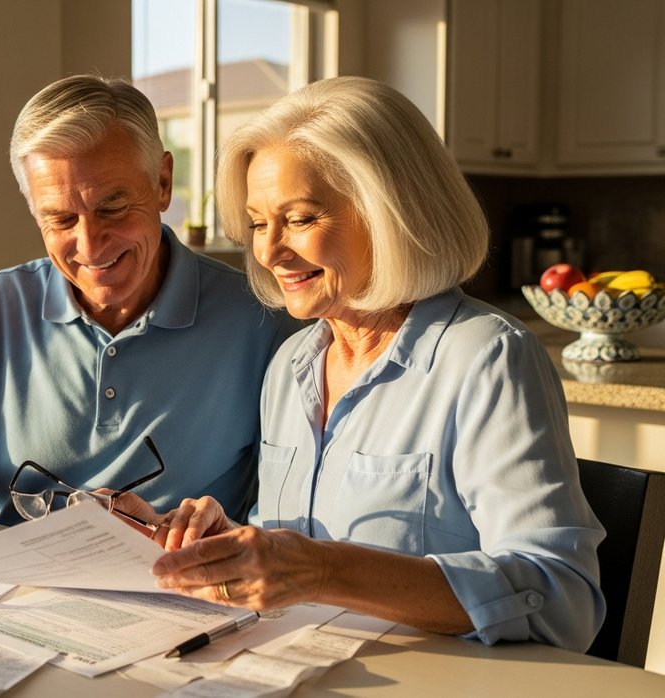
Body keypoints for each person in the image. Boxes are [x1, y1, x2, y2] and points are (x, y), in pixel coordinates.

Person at [122, 76, 605, 652]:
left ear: (391, 213)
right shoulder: (292, 364)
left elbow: (561, 599)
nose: (269, 251)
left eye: (299, 219)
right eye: (257, 223)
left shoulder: (487, 359)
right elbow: (296, 554)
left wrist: (326, 571)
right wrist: (231, 548)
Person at [0, 74, 300, 564]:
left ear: (163, 182)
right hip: (20, 590)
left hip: (183, 593)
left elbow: (287, 513)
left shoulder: (263, 318)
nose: (90, 245)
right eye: (59, 219)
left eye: (113, 206)